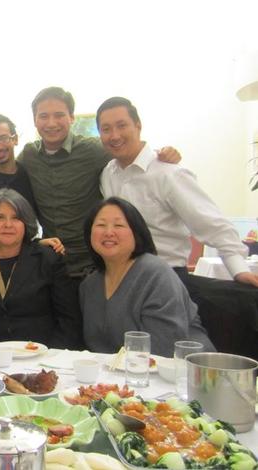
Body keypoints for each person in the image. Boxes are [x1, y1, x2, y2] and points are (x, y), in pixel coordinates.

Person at [17, 87, 180, 280]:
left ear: (71, 117)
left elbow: (129, 152)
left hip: (94, 263)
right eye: (44, 116)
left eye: (59, 115)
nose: (51, 123)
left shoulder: (93, 150)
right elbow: (5, 172)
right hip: (53, 262)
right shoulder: (29, 155)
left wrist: (163, 153)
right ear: (35, 120)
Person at [96, 96, 258, 287]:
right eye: (106, 129)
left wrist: (240, 270)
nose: (114, 136)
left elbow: (212, 224)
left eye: (122, 125)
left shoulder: (169, 173)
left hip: (165, 278)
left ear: (138, 126)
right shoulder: (108, 174)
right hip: (121, 278)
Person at [79, 197, 214, 357]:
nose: (109, 232)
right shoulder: (90, 285)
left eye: (119, 225)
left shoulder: (156, 275)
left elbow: (163, 348)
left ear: (136, 233)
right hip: (117, 370)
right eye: (101, 225)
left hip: (184, 368)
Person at [0, 189, 82, 348]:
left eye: (16, 218)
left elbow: (69, 321)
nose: (8, 225)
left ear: (26, 223)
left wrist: (50, 356)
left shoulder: (48, 259)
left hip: (41, 354)